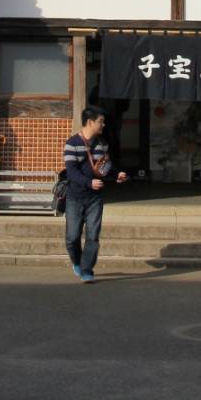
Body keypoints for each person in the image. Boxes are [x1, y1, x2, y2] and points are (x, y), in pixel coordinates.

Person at [63, 107, 127, 284]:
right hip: (75, 197)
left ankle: (87, 269)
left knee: (93, 236)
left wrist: (116, 175)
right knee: (72, 237)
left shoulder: (102, 144)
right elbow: (72, 172)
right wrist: (88, 182)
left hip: (95, 198)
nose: (103, 125)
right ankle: (77, 261)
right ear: (90, 122)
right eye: (101, 121)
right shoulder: (71, 143)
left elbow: (104, 166)